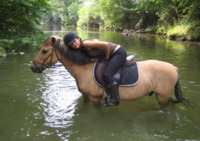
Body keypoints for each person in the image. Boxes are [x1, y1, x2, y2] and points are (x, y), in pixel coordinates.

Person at [63, 32, 127, 107]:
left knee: (107, 74)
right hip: (113, 54)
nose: (74, 44)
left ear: (78, 38)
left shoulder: (85, 44)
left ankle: (115, 99)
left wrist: (107, 57)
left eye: (74, 41)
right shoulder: (81, 47)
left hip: (119, 53)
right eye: (71, 44)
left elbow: (105, 45)